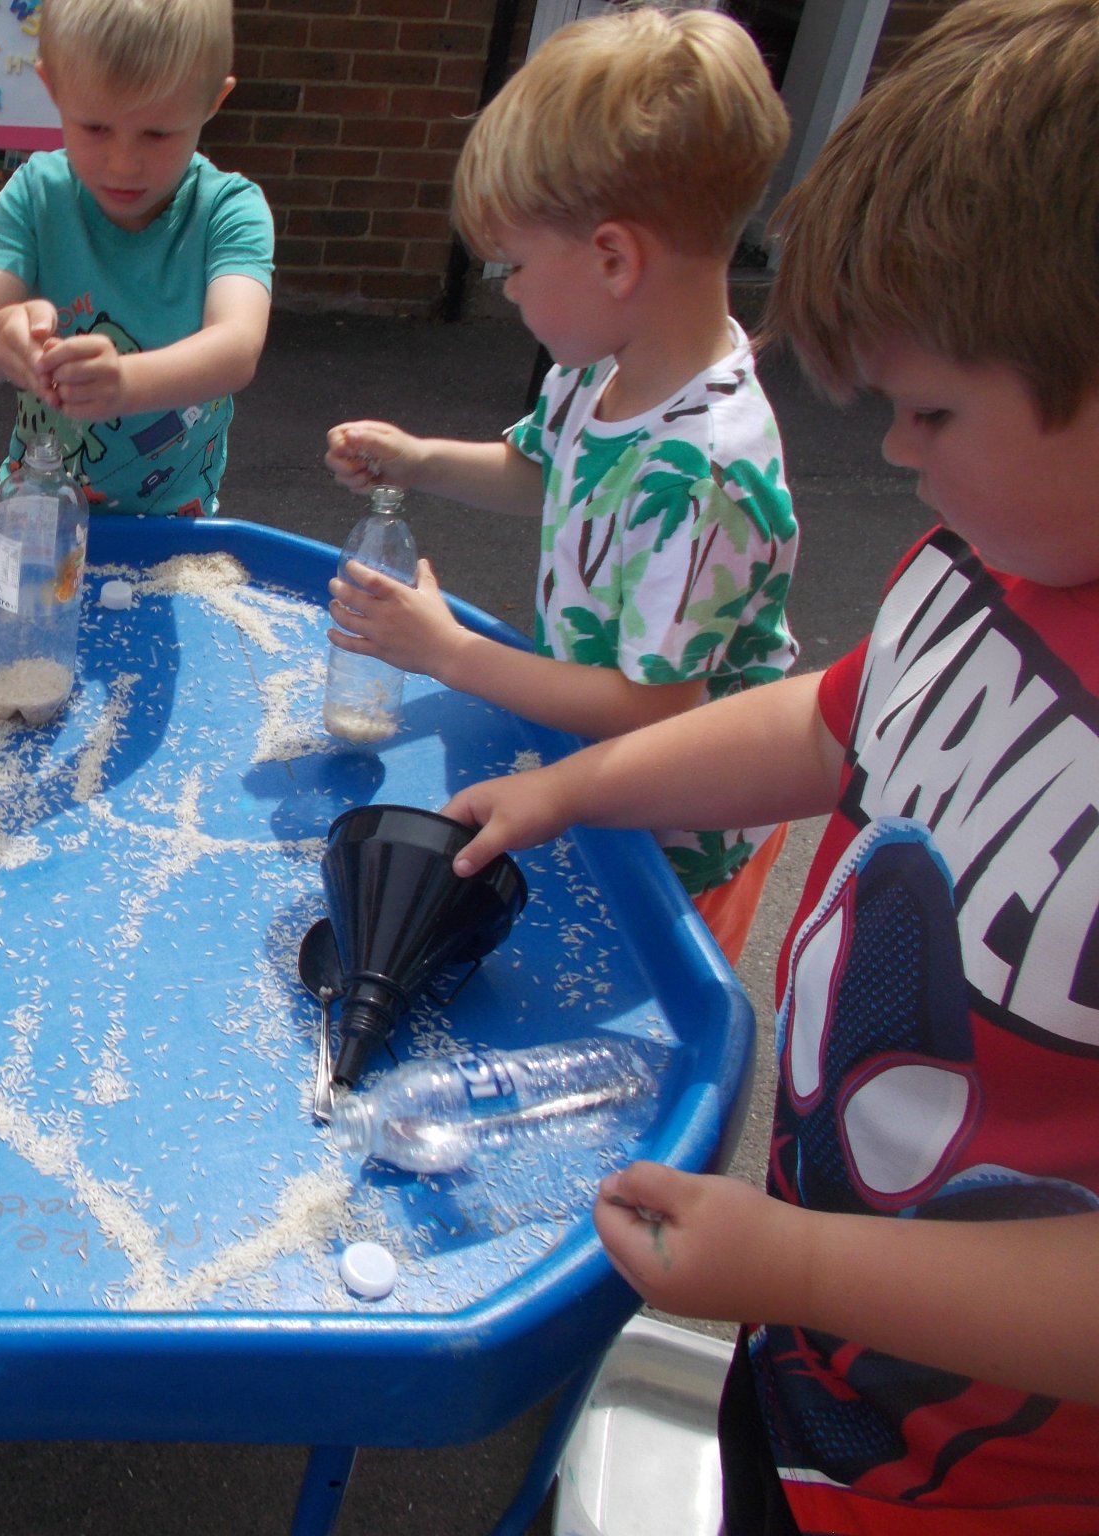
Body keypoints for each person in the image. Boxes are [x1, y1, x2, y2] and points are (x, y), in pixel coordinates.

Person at [438, 2, 1099, 1528]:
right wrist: (571, 789)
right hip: (815, 1352)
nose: (895, 456)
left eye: (932, 409)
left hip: (980, 1478)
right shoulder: (975, 569)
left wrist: (794, 1262)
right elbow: (821, 725)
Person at [322, 7, 796, 966]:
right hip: (592, 765)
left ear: (614, 259)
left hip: (679, 836)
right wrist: (420, 459)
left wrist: (448, 651)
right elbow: (546, 476)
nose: (506, 290)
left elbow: (655, 711)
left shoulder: (703, 471)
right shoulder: (602, 370)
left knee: (621, 985)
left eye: (516, 265)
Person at [0, 0, 273, 518]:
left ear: (213, 100)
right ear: (53, 88)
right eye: (96, 128)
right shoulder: (35, 195)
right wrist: (3, 333)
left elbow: (236, 348)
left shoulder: (228, 210)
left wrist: (127, 384)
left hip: (172, 521)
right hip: (39, 508)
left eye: (157, 133)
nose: (123, 164)